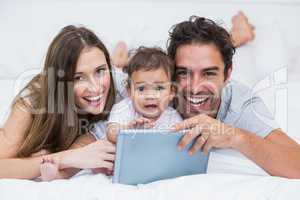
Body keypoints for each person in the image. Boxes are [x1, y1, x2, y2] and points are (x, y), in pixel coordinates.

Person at [167, 16, 300, 179]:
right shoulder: (156, 87)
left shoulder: (241, 102)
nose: (195, 88)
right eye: (183, 73)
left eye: (209, 73)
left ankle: (240, 34)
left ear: (227, 74)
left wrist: (235, 136)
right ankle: (238, 34)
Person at [0, 25, 117, 180]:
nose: (96, 88)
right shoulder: (32, 102)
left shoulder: (124, 89)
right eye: (78, 77)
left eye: (100, 71)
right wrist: (68, 157)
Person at [106, 47, 182, 143]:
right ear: (129, 92)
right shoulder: (124, 108)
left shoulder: (172, 116)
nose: (150, 96)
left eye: (159, 88)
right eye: (141, 89)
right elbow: (111, 133)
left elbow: (179, 140)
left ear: (172, 92)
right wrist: (128, 132)